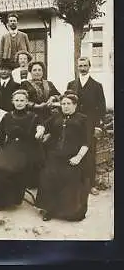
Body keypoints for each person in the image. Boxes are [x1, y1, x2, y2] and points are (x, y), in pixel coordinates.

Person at [36, 93, 90, 222]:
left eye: (68, 104)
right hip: (55, 155)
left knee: (70, 179)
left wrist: (78, 157)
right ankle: (50, 209)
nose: (65, 106)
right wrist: (40, 130)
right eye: (63, 104)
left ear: (75, 105)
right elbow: (43, 124)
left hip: (73, 157)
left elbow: (87, 142)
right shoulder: (56, 117)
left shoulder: (83, 119)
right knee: (48, 175)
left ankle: (68, 212)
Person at [0, 89, 44, 210]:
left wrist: (40, 130)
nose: (19, 103)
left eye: (22, 100)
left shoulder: (34, 116)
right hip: (10, 147)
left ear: (27, 102)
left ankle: (13, 199)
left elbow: (40, 127)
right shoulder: (7, 116)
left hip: (27, 149)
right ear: (12, 101)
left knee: (13, 167)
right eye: (17, 100)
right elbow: (1, 136)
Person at [67, 57, 106, 195]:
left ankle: (91, 185)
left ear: (89, 67)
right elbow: (66, 104)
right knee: (73, 151)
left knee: (90, 153)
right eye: (80, 65)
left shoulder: (97, 85)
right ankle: (75, 183)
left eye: (85, 65)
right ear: (77, 67)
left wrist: (98, 126)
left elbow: (101, 108)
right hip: (75, 124)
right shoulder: (71, 84)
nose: (82, 68)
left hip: (90, 125)